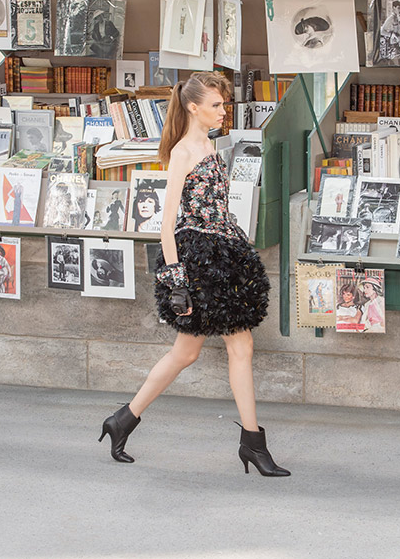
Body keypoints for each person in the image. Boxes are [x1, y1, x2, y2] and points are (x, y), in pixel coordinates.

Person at [98, 72, 287, 476]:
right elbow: (167, 224)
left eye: (223, 104)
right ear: (193, 106)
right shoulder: (184, 151)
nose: (223, 111)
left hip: (221, 252)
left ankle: (123, 420)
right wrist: (178, 282)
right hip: (200, 261)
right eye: (216, 105)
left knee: (191, 352)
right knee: (231, 348)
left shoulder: (210, 146)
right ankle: (253, 444)